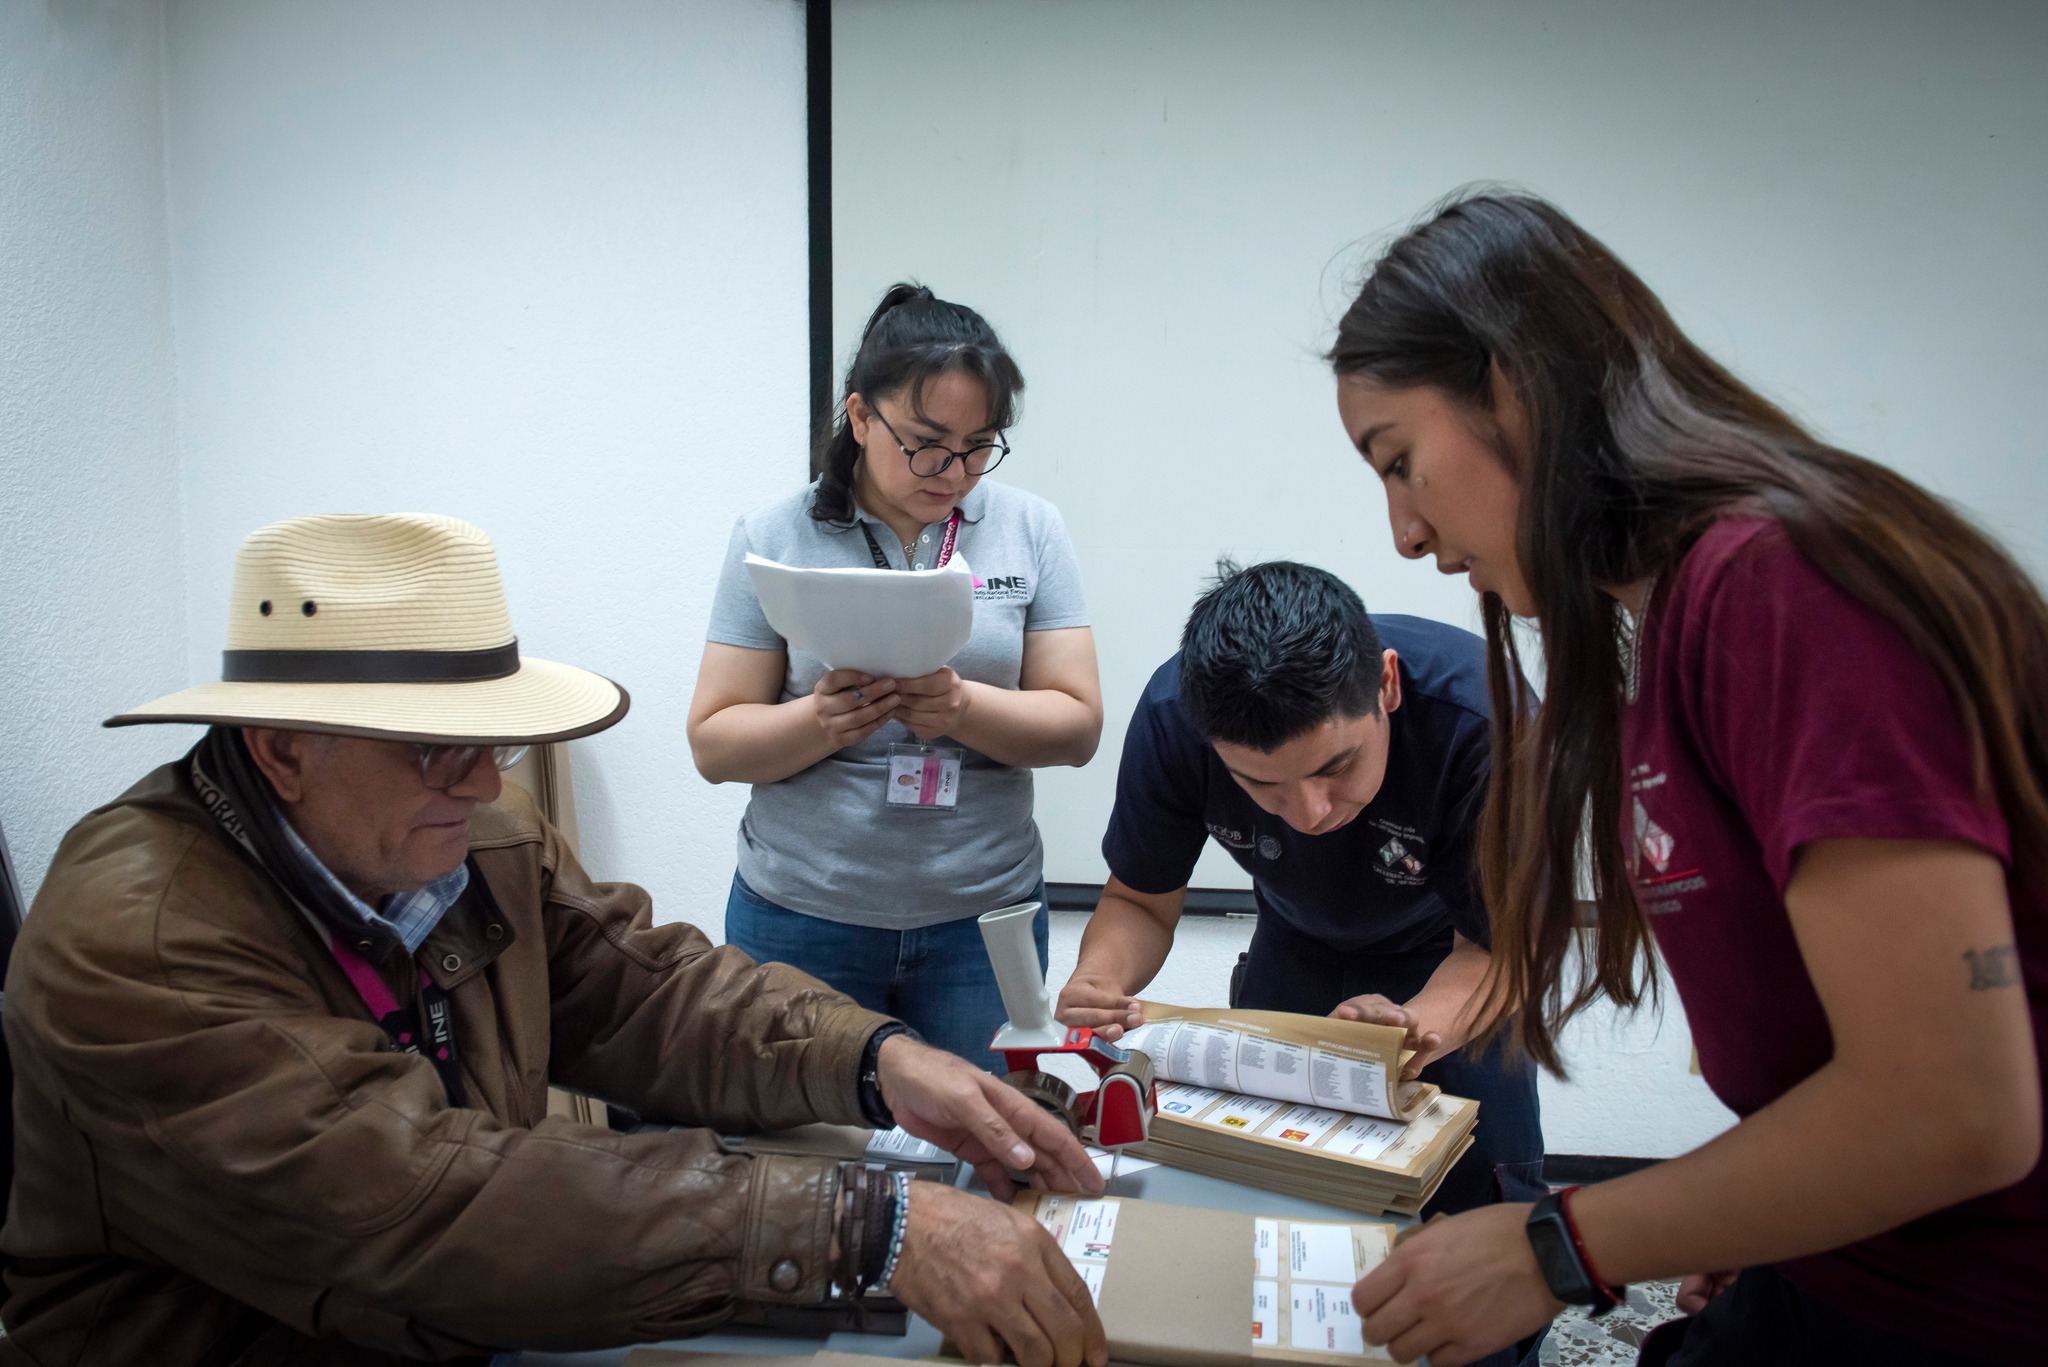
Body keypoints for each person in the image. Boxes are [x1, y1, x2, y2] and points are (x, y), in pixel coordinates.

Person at [1, 512, 1108, 1367]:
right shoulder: (134, 939)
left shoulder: (465, 835)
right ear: (283, 747)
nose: (487, 784)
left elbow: (649, 991)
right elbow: (425, 1199)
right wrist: (863, 1224)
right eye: (441, 751)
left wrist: (876, 1059)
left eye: (493, 742)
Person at [1329, 192, 2046, 1367]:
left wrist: (1555, 1245)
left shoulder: (1777, 584)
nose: (1404, 532)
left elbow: (1953, 1105)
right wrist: (1766, 1216)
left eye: (1399, 461)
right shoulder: (1663, 629)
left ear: (1512, 387)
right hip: (1851, 1264)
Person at [688, 284, 1103, 1070]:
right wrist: (819, 721)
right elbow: (713, 742)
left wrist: (960, 708)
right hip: (803, 913)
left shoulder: (1030, 528)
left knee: (984, 1155)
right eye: (926, 442)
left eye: (980, 445)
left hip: (984, 920)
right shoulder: (774, 534)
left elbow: (1078, 725)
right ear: (861, 416)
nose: (953, 471)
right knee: (805, 1165)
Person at [1055, 559, 1545, 1218]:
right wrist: (1100, 977)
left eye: (1335, 766)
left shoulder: (1485, 725)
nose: (1311, 812)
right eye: (1263, 785)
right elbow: (1139, 901)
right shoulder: (1176, 717)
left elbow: (1497, 952)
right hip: (1295, 947)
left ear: (1387, 684)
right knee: (1269, 1191)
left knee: (1486, 1206)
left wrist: (1412, 1029)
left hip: (1456, 959)